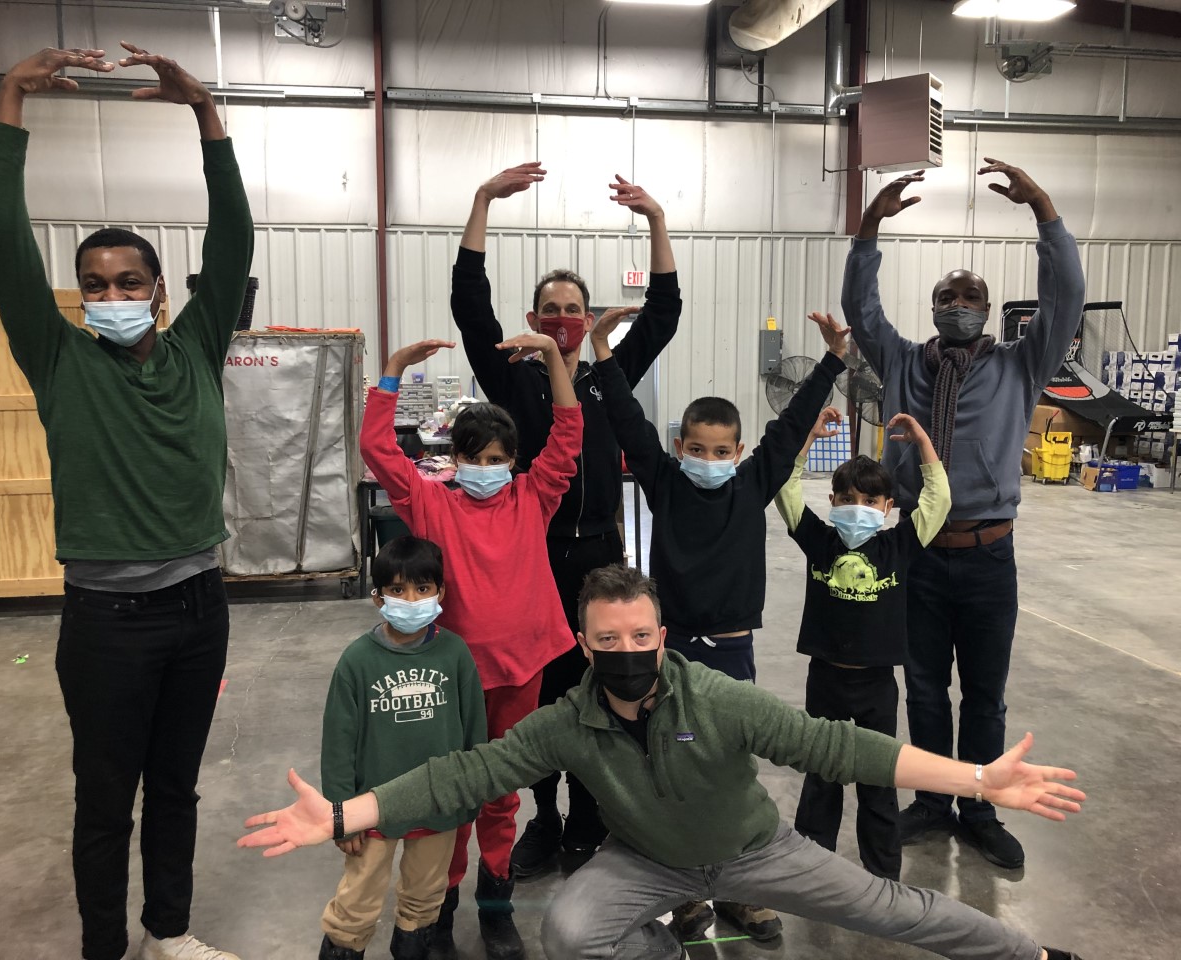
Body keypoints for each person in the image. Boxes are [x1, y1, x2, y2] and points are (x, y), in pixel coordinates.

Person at [238, 565, 1087, 960]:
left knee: (895, 910)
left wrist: (977, 778)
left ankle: (1035, 958)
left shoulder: (715, 698)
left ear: (661, 636)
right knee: (571, 933)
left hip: (756, 849)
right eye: (608, 640)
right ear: (584, 643)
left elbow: (839, 745)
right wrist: (345, 815)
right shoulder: (565, 723)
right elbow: (464, 774)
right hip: (645, 861)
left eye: (641, 637)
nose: (628, 650)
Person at [0, 44, 254, 960]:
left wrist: (206, 114)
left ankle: (168, 933)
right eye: (94, 285)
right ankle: (105, 946)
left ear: (161, 293)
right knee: (104, 799)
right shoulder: (58, 360)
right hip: (104, 619)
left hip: (198, 607)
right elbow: (5, 240)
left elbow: (234, 241)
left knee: (174, 787)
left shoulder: (197, 346)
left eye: (129, 282)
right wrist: (12, 95)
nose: (111, 296)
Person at [842, 159, 1086, 871]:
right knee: (921, 685)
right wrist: (870, 225)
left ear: (988, 305)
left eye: (971, 293)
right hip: (914, 549)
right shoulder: (900, 360)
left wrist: (1042, 206)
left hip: (987, 555)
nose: (959, 300)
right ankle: (933, 800)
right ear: (933, 306)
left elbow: (1066, 294)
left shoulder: (1021, 363)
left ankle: (981, 806)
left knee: (983, 691)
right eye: (948, 293)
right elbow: (862, 309)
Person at [587, 308, 849, 944]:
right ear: (681, 449)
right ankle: (683, 895)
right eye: (697, 449)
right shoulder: (666, 483)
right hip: (669, 656)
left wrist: (835, 359)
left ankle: (738, 890)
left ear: (738, 452)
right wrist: (602, 351)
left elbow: (789, 429)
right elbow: (626, 418)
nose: (709, 459)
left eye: (721, 451)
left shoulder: (753, 482)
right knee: (671, 766)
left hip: (732, 650)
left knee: (731, 767)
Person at [451, 163, 682, 878]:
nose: (560, 320)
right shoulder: (513, 374)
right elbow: (469, 305)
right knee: (544, 696)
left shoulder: (608, 375)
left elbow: (666, 313)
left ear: (588, 318)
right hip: (531, 559)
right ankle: (543, 819)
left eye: (571, 309)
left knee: (598, 688)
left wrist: (657, 220)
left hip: (601, 555)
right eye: (547, 310)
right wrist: (483, 199)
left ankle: (589, 820)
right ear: (532, 321)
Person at [360, 334, 580, 960]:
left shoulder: (534, 498)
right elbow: (378, 448)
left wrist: (557, 362)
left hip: (522, 668)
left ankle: (495, 904)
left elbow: (568, 435)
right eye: (473, 457)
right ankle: (440, 905)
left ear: (513, 460)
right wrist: (394, 372)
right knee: (454, 791)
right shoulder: (431, 503)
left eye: (497, 458)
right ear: (452, 459)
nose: (486, 468)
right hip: (453, 678)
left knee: (502, 793)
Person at [773, 408, 951, 880]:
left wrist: (923, 444)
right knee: (821, 776)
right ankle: (814, 870)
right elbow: (785, 490)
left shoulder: (899, 546)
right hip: (825, 679)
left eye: (872, 500)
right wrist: (807, 437)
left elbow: (938, 500)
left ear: (889, 507)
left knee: (878, 780)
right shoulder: (820, 540)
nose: (859, 507)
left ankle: (882, 875)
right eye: (848, 498)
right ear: (831, 500)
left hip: (877, 685)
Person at [318, 536, 486, 960]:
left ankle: (413, 947)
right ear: (378, 598)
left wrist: (471, 790)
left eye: (422, 589)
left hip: (438, 801)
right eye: (397, 590)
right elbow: (338, 741)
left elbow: (474, 730)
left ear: (440, 592)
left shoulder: (455, 654)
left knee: (425, 895)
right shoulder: (357, 661)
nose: (410, 600)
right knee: (356, 902)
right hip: (370, 808)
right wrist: (342, 813)